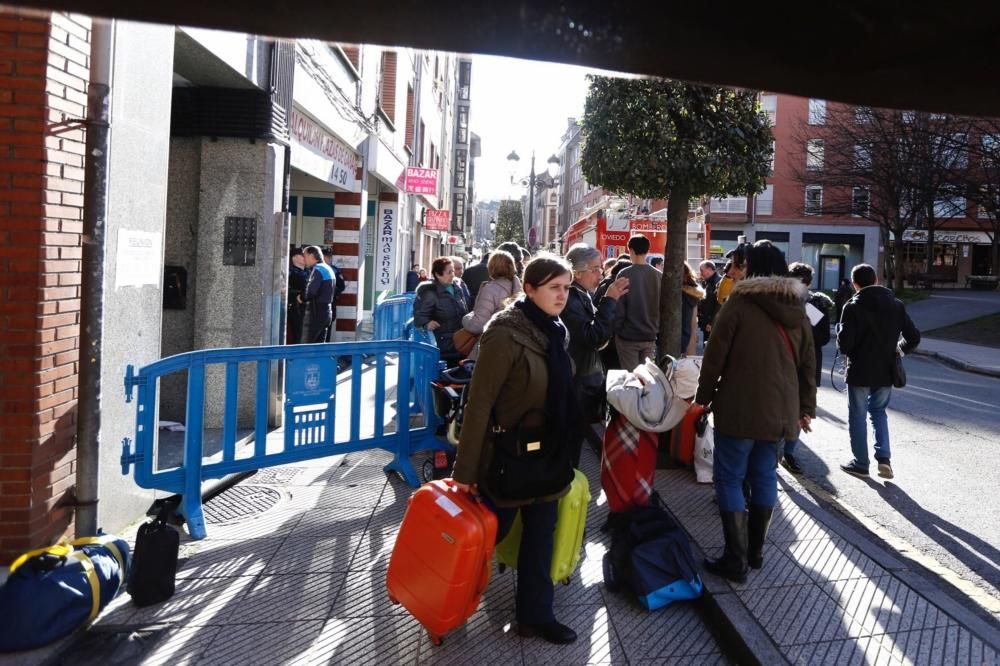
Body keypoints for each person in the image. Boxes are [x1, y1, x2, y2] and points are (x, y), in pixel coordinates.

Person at [452, 254, 579, 645]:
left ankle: (535, 616)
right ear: (529, 289)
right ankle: (448, 600)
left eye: (567, 288)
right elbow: (479, 403)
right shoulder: (505, 333)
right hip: (506, 456)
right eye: (554, 288)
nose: (563, 296)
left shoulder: (556, 329)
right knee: (483, 539)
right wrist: (467, 473)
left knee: (541, 536)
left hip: (547, 454)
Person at [692, 240, 816, 582]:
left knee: (729, 477)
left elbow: (715, 355)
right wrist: (806, 407)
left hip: (739, 405)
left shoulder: (740, 303)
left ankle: (736, 559)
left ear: (752, 267)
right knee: (764, 475)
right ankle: (756, 552)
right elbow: (808, 364)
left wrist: (702, 397)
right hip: (782, 411)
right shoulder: (799, 308)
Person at [837, 264, 920, 480]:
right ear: (876, 279)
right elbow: (913, 337)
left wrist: (840, 331)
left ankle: (861, 463)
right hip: (885, 370)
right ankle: (884, 459)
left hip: (859, 371)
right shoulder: (896, 305)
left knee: (857, 415)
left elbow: (845, 345)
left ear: (855, 284)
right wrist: (898, 351)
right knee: (878, 412)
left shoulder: (852, 306)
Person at [562, 243, 629, 464]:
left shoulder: (581, 294)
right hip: (577, 380)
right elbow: (594, 337)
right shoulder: (571, 298)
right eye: (595, 269)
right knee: (571, 442)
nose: (600, 274)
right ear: (577, 273)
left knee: (579, 438)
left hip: (583, 376)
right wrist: (610, 299)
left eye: (600, 268)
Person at [781, 262, 834, 474]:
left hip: (782, 361)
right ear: (810, 282)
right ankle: (789, 452)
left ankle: (779, 450)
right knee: (801, 406)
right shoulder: (814, 305)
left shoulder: (778, 300)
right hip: (807, 364)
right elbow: (822, 338)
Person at [460, 250, 521, 360]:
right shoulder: (519, 288)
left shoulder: (490, 289)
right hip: (515, 347)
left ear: (491, 267)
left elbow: (477, 325)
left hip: (492, 346)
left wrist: (466, 318)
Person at [614, 235, 661, 370]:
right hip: (650, 334)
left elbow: (619, 305)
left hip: (627, 335)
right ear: (647, 250)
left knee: (631, 380)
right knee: (647, 379)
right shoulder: (658, 275)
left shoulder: (624, 274)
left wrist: (617, 329)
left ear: (631, 250)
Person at [414, 256, 470, 366]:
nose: (453, 274)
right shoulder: (430, 293)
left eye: (453, 271)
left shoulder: (458, 288)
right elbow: (419, 315)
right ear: (438, 274)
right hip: (444, 344)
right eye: (449, 272)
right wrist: (426, 323)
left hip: (461, 341)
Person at [300, 245, 336, 343]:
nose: (304, 259)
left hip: (316, 313)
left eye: (305, 256)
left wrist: (302, 298)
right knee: (320, 347)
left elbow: (311, 292)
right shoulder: (328, 268)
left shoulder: (318, 269)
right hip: (327, 312)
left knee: (307, 346)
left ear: (311, 255)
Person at [681, 262, 706, 354]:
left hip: (678, 336)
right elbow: (694, 320)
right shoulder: (693, 293)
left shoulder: (680, 293)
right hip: (688, 334)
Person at [287, 247, 308, 345]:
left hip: (309, 309)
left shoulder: (308, 272)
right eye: (302, 255)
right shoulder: (292, 273)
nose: (305, 257)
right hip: (297, 309)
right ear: (294, 258)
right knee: (299, 335)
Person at [697, 260, 722, 343]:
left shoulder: (718, 282)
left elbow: (719, 304)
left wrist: (711, 322)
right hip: (707, 321)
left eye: (702, 270)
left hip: (711, 322)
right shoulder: (707, 282)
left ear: (709, 269)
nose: (701, 273)